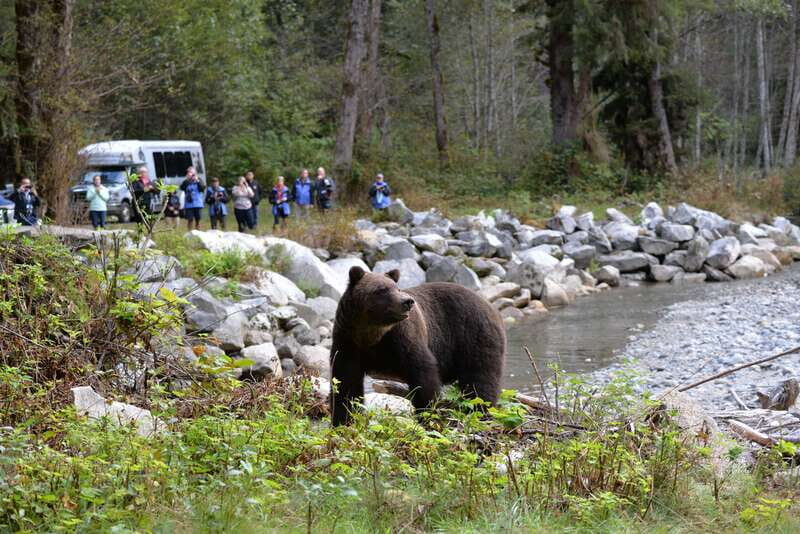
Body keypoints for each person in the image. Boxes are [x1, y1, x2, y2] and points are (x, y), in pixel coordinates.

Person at [180, 166, 205, 230]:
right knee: (190, 219)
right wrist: (187, 180)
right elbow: (182, 188)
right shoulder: (186, 181)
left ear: (195, 173)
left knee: (198, 219)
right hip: (189, 204)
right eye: (188, 172)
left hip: (198, 203)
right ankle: (189, 232)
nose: (189, 174)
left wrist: (197, 180)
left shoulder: (199, 180)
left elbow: (202, 188)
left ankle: (198, 232)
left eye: (191, 172)